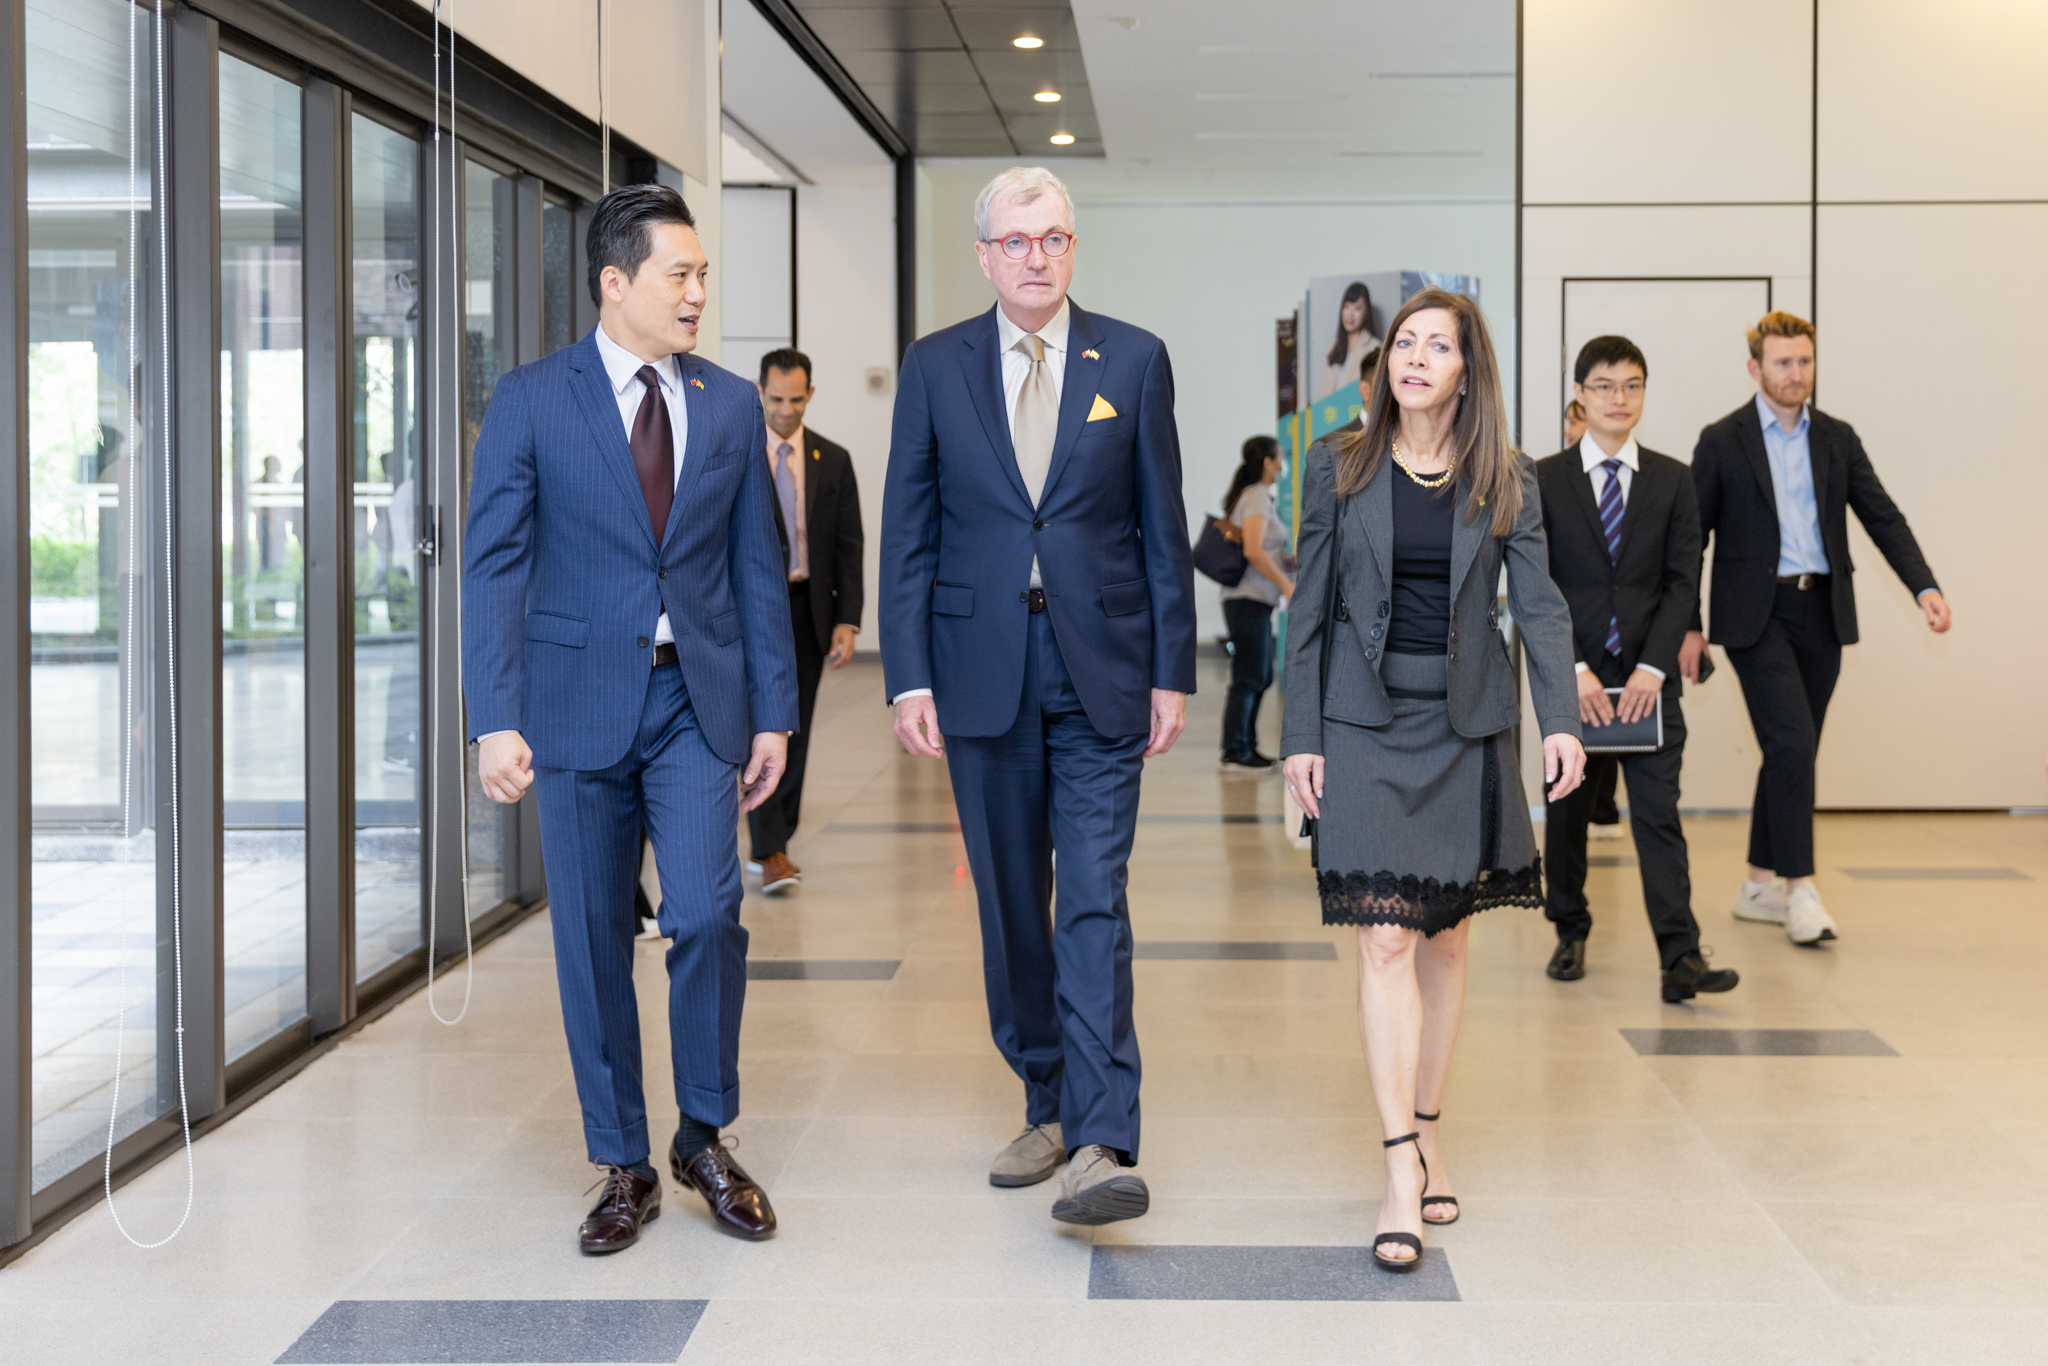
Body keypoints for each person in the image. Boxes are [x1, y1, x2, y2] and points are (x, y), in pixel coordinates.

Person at [463, 184, 799, 1254]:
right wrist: (493, 714)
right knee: (593, 938)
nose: (698, 292)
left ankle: (702, 1133)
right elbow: (493, 563)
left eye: (701, 274)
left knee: (705, 914)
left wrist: (774, 717)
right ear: (616, 283)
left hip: (693, 701)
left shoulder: (731, 401)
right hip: (571, 706)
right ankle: (621, 1161)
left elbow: (757, 569)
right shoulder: (531, 398)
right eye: (679, 274)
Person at [880, 165, 1196, 1227]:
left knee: (1094, 898)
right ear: (983, 255)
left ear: (1071, 247)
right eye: (1014, 242)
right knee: (1014, 902)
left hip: (1101, 665)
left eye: (1052, 238)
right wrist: (908, 672)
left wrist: (1170, 671)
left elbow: (1162, 525)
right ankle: (1046, 1097)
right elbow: (909, 529)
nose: (1035, 257)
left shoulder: (1133, 359)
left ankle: (1103, 1135)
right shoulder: (935, 368)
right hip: (979, 669)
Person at [1281, 290, 1585, 1273]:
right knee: (1381, 934)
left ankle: (1427, 1121)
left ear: (1467, 369)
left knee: (1444, 941)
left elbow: (1538, 610)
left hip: (1466, 723)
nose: (1412, 358)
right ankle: (1397, 1166)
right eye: (1402, 343)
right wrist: (1297, 737)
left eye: (1434, 345)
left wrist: (1562, 723)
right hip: (1362, 722)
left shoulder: (1508, 477)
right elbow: (1310, 612)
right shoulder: (1336, 465)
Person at [1681, 312, 1949, 946]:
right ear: (1756, 368)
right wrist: (1688, 626)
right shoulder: (1723, 440)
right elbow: (1690, 540)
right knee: (1794, 745)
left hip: (1823, 612)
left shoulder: (1837, 438)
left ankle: (1754, 886)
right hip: (1757, 616)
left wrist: (1925, 585)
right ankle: (1799, 890)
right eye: (1782, 363)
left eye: (1804, 362)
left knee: (1789, 749)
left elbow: (1883, 516)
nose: (1795, 374)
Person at [1535, 336, 1738, 1002]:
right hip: (1577, 686)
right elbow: (1536, 583)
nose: (1618, 399)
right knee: (1567, 815)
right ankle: (1570, 928)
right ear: (1580, 395)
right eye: (1604, 386)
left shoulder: (1674, 479)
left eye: (1632, 385)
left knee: (1658, 815)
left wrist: (1654, 666)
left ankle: (1680, 957)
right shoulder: (1542, 479)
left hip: (1650, 687)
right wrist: (1574, 670)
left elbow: (1684, 579)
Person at [745, 347, 865, 894]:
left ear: (810, 394)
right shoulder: (739, 455)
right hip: (751, 613)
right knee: (760, 726)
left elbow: (848, 546)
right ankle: (769, 847)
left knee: (796, 728)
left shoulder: (832, 460)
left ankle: (775, 843)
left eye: (797, 400)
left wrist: (848, 620)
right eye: (776, 400)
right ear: (760, 393)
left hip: (808, 609)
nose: (787, 411)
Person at [1218, 434, 1295, 770]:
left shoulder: (1260, 497)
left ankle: (1245, 744)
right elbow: (1252, 550)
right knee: (1250, 676)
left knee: (1259, 674)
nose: (1283, 463)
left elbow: (1269, 550)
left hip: (1256, 600)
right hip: (1247, 599)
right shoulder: (1257, 496)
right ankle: (1235, 748)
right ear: (1268, 462)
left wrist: (1290, 565)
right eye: (1281, 457)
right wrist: (1285, 586)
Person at [1318, 280, 1379, 399]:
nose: (1350, 314)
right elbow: (1324, 393)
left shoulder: (1375, 348)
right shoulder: (1332, 348)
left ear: (1366, 312)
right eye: (1346, 306)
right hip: (1331, 414)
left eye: (1357, 308)